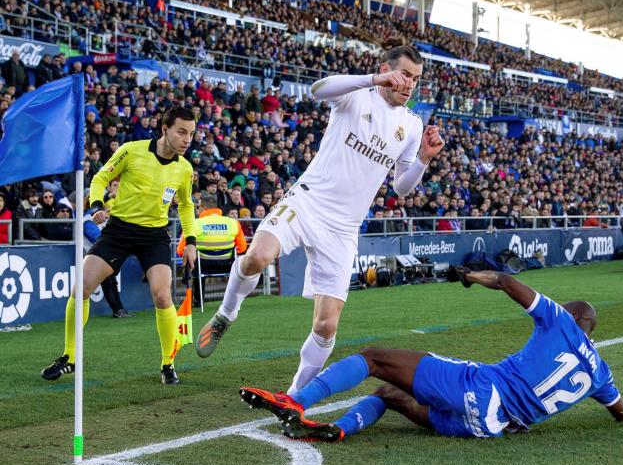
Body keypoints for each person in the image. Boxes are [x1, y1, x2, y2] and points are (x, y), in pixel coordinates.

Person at [198, 45, 445, 397]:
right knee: (257, 257)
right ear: (385, 69)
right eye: (404, 74)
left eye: (416, 80)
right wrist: (374, 79)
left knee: (326, 325)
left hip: (344, 228)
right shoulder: (357, 95)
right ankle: (226, 313)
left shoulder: (411, 124)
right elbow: (318, 89)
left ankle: (296, 396)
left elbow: (402, 188)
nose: (409, 85)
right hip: (308, 201)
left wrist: (422, 159)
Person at [240, 267, 623, 442]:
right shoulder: (600, 373)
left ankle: (295, 401)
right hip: (490, 427)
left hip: (483, 390)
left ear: (571, 315)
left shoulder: (560, 321)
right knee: (390, 394)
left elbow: (508, 282)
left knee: (375, 359)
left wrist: (471, 277)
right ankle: (341, 429)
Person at [40, 107, 198, 385]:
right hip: (119, 231)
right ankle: (70, 357)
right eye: (181, 132)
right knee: (82, 287)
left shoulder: (185, 169)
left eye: (191, 134)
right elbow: (100, 178)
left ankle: (167, 363)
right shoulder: (131, 150)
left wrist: (191, 241)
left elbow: (185, 206)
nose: (187, 139)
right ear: (165, 129)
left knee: (162, 296)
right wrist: (97, 205)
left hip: (154, 235)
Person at [176, 194, 247, 308]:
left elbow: (180, 250)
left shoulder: (194, 223)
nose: (197, 209)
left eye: (198, 207)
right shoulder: (233, 222)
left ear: (203, 207)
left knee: (194, 262)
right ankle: (232, 300)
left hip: (202, 264)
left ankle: (198, 301)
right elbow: (242, 248)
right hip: (227, 264)